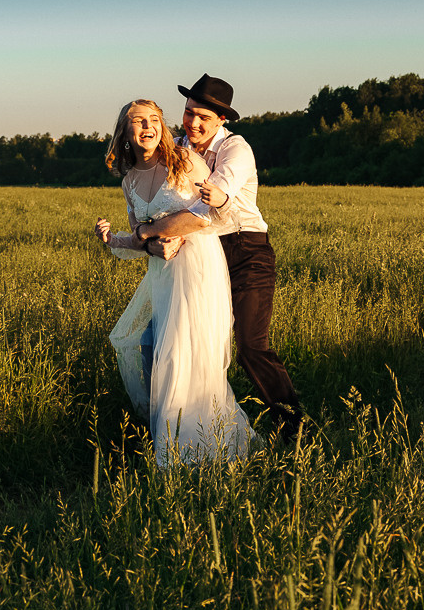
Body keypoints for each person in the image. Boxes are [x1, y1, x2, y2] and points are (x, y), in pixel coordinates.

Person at [136, 74, 303, 439]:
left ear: (221, 121)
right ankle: (171, 428)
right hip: (196, 253)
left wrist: (150, 232)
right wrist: (149, 237)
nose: (193, 123)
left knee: (249, 347)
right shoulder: (176, 146)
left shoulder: (236, 150)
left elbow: (208, 210)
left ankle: (293, 427)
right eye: (188, 113)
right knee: (164, 342)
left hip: (245, 251)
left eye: (203, 118)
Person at [94, 99, 255, 465]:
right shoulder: (129, 179)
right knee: (159, 351)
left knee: (182, 355)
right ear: (125, 132)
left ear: (162, 127)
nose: (148, 127)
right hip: (163, 277)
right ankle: (175, 443)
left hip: (198, 268)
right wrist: (116, 240)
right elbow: (139, 238)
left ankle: (192, 452)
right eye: (138, 122)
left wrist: (156, 232)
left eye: (154, 119)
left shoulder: (183, 162)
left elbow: (206, 216)